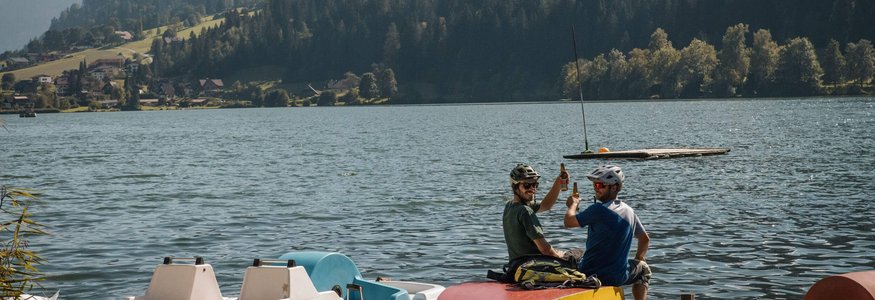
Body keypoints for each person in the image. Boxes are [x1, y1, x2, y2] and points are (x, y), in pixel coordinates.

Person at [564, 165, 651, 300]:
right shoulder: (630, 212)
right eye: (594, 185)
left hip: (588, 273)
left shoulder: (597, 210)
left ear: (614, 187)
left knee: (571, 254)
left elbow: (568, 221)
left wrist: (573, 205)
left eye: (600, 185)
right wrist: (639, 258)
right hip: (616, 277)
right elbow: (644, 239)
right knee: (643, 270)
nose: (596, 189)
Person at [503, 163, 575, 263]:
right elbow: (546, 251)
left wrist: (559, 182)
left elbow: (546, 205)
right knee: (577, 255)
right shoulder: (525, 211)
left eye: (535, 184)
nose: (533, 188)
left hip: (517, 266)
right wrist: (563, 258)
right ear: (515, 187)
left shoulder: (509, 206)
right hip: (535, 266)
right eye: (527, 185)